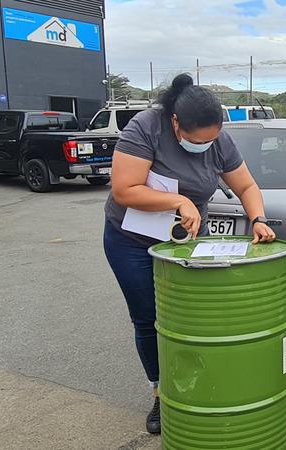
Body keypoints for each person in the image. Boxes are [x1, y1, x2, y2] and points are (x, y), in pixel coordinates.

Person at [103, 74, 276, 434]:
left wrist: (257, 217)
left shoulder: (218, 140)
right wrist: (178, 200)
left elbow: (245, 185)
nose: (208, 146)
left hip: (188, 239)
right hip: (132, 239)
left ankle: (202, 386)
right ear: (176, 123)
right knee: (149, 318)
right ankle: (162, 393)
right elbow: (124, 189)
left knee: (197, 315)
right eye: (200, 141)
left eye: (213, 139)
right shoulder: (146, 127)